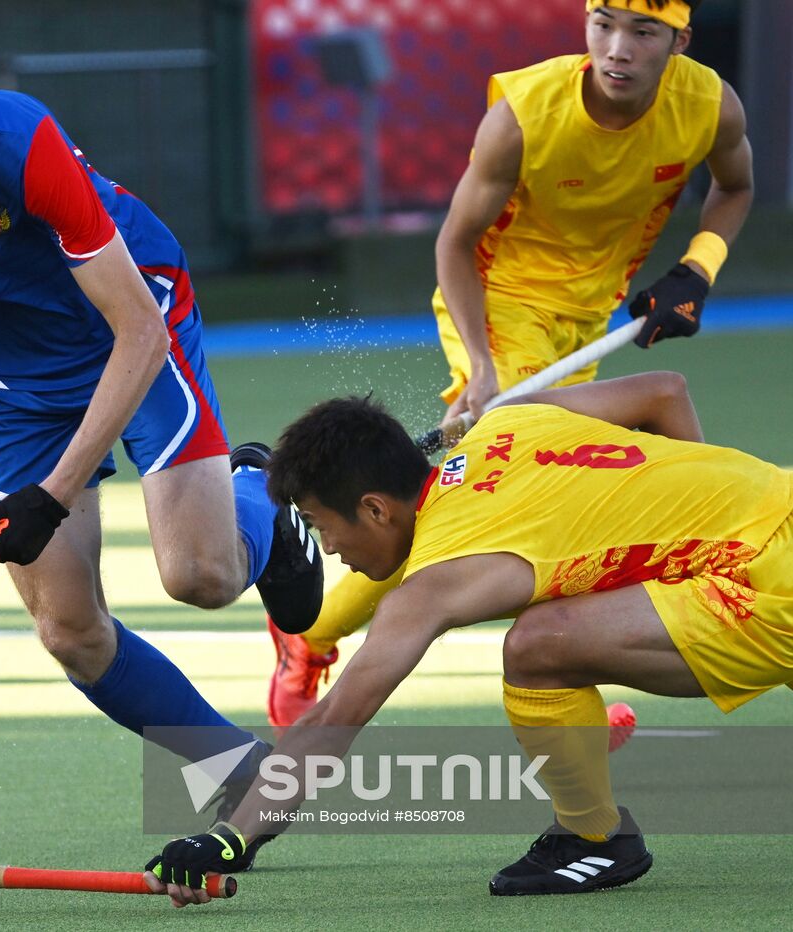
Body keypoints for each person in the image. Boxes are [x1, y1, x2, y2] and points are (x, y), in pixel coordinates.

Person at [0, 49, 323, 863]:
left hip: (131, 325)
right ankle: (241, 770)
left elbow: (138, 333)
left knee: (203, 578)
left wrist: (51, 494)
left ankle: (261, 491)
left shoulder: (14, 142)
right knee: (69, 631)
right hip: (13, 385)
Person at [265, 0, 755, 731]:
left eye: (643, 33)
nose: (617, 49)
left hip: (590, 322)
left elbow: (735, 187)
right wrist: (486, 369)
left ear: (679, 40)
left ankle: (322, 634)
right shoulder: (524, 112)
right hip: (499, 310)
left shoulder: (709, 106)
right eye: (603, 26)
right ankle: (316, 636)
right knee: (488, 516)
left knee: (551, 498)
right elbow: (454, 246)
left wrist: (697, 269)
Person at [145, 371, 793, 903]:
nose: (330, 549)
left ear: (375, 508)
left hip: (766, 587)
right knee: (549, 630)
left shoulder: (438, 577)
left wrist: (232, 837)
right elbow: (666, 391)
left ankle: (595, 839)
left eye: (320, 526)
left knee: (537, 647)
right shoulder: (510, 420)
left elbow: (334, 718)